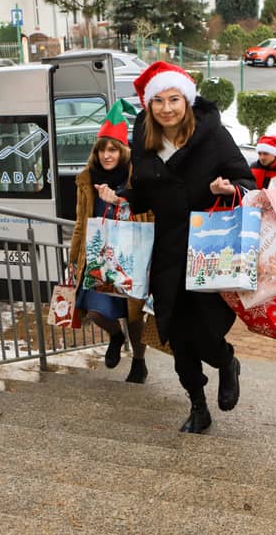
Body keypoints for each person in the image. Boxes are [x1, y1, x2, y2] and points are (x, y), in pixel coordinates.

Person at [98, 61, 255, 433]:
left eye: (173, 99)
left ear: (186, 100)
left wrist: (227, 189)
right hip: (168, 252)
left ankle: (226, 361)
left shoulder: (212, 135)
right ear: (149, 104)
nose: (166, 108)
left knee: (205, 331)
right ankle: (198, 406)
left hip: (208, 250)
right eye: (158, 101)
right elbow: (143, 193)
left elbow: (246, 181)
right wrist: (121, 197)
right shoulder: (144, 139)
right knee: (177, 336)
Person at [69, 100, 149, 383]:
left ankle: (139, 362)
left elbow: (148, 214)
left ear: (122, 150)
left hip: (132, 256)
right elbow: (81, 221)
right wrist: (73, 256)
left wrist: (119, 202)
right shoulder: (86, 180)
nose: (106, 155)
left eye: (112, 149)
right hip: (99, 256)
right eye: (102, 149)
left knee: (134, 317)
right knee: (94, 311)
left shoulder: (137, 176)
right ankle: (115, 336)